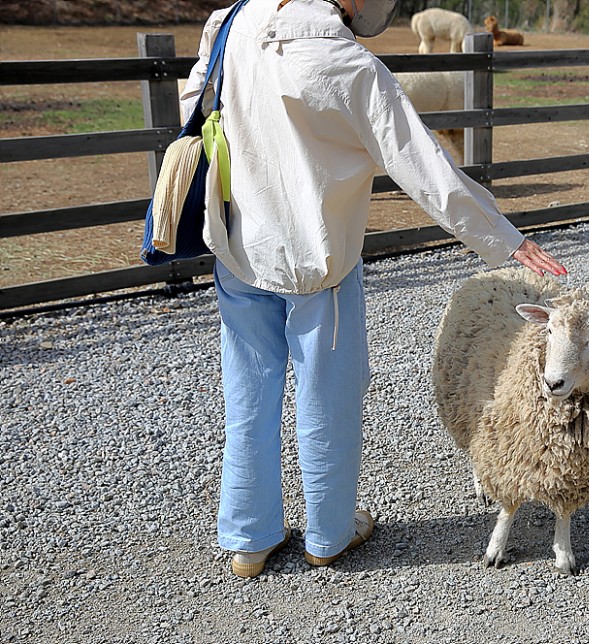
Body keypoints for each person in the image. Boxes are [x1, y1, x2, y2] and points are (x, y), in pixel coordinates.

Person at [180, 0, 567, 578]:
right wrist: (505, 241)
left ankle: (247, 538)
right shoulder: (349, 66)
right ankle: (328, 534)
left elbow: (196, 105)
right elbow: (424, 166)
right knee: (327, 397)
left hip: (239, 244)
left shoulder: (233, 21)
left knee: (248, 395)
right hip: (319, 261)